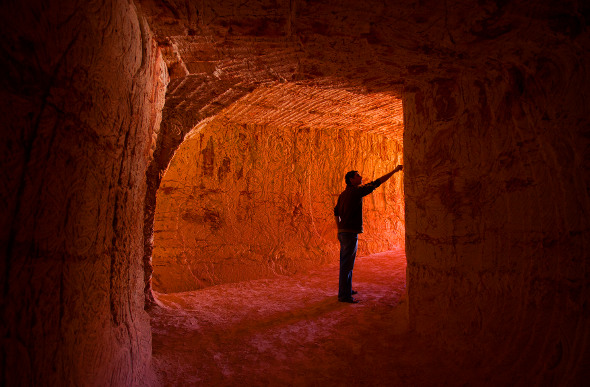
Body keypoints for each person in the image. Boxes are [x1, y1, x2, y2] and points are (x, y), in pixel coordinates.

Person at [334, 165, 403, 303]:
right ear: (351, 180)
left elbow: (336, 212)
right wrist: (394, 171)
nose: (361, 177)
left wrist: (339, 227)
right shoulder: (356, 191)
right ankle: (344, 296)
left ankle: (346, 290)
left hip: (343, 232)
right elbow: (376, 183)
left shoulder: (342, 194)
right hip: (350, 232)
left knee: (346, 263)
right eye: (357, 175)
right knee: (347, 264)